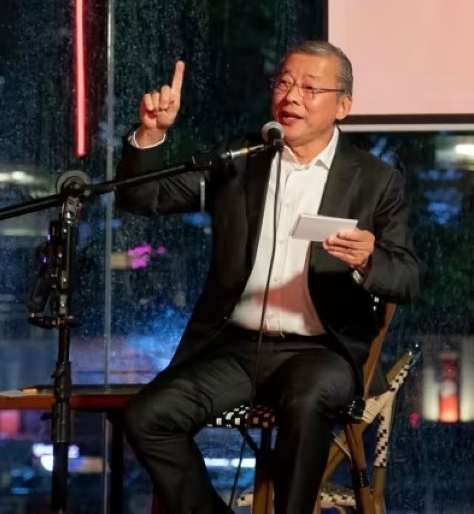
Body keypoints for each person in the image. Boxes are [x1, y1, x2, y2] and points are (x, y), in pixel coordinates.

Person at [116, 40, 423, 514]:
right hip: (234, 348)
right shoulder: (241, 158)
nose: (291, 96)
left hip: (321, 351)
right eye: (283, 83)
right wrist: (151, 134)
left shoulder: (375, 179)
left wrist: (368, 260)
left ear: (343, 106)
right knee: (147, 416)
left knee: (306, 399)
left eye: (309, 88)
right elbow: (143, 198)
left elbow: (407, 278)